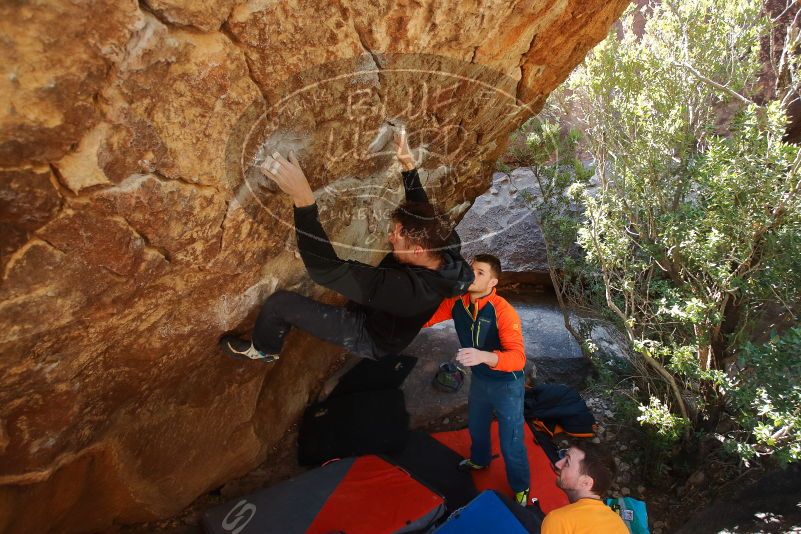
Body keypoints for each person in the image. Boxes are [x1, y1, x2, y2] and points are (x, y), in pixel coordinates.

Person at [219, 128, 474, 363]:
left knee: (280, 305)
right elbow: (423, 213)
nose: (390, 238)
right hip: (382, 310)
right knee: (355, 282)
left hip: (372, 336)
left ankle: (264, 349)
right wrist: (407, 164)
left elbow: (324, 271)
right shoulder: (445, 246)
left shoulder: (407, 293)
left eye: (397, 235)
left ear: (418, 250)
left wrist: (303, 199)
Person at [422, 254, 531, 506]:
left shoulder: (503, 311)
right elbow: (427, 319)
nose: (472, 275)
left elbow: (518, 358)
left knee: (511, 440)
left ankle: (521, 487)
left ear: (493, 282)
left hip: (507, 384)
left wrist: (483, 355)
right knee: (477, 426)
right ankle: (480, 460)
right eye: (471, 270)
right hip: (481, 380)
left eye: (480, 273)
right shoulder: (457, 302)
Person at [541, 441, 628, 534]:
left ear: (586, 483)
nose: (557, 464)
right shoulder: (619, 523)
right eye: (563, 456)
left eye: (567, 462)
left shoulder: (559, 521)